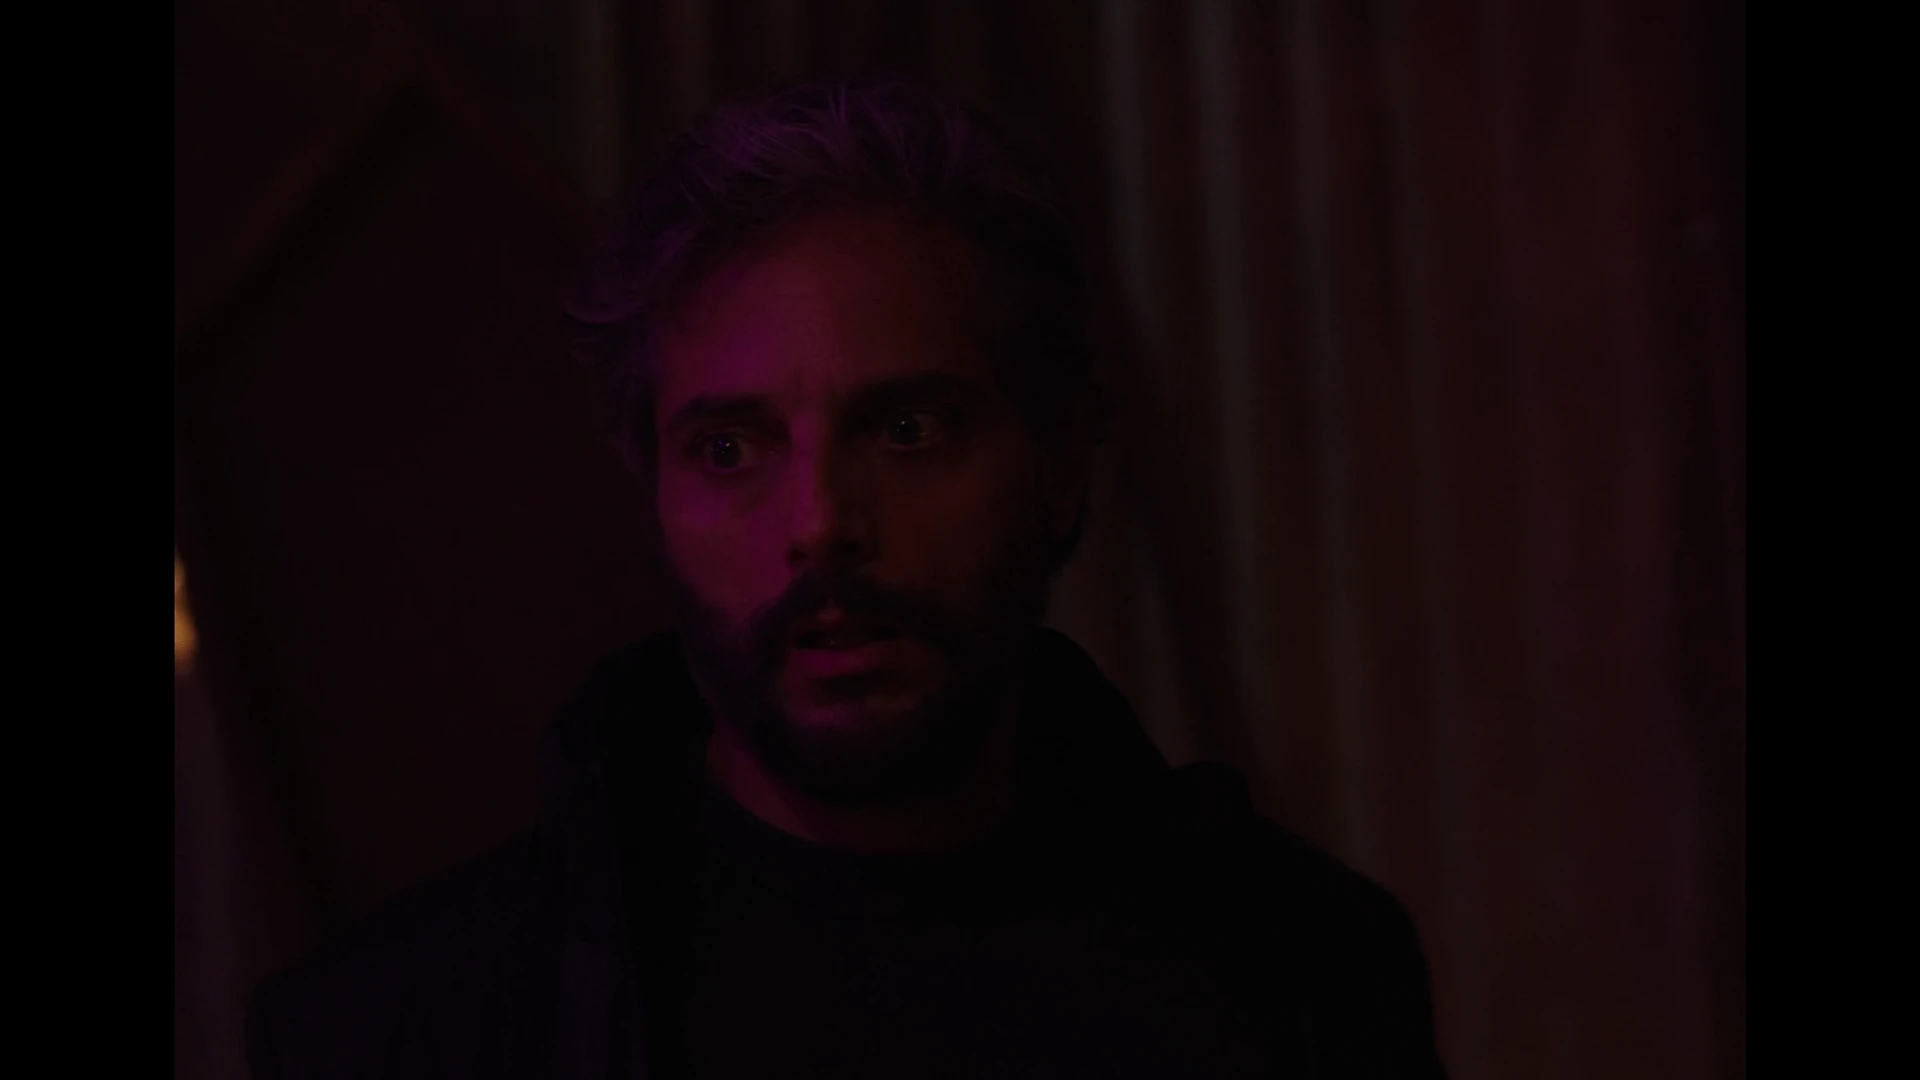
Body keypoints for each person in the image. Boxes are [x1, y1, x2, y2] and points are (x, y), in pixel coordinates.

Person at [245, 75, 1447, 1079]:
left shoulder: (1304, 981)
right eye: (729, 450)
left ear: (1064, 461)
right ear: (651, 487)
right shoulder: (397, 1035)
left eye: (909, 430)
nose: (821, 526)